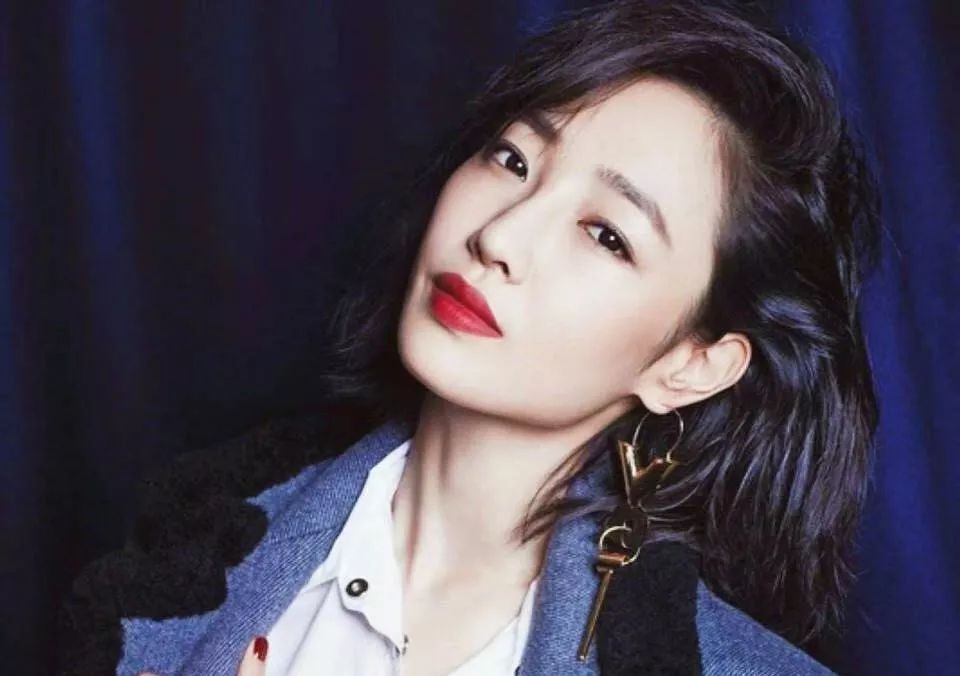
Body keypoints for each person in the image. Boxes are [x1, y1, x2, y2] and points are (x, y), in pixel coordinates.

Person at [58, 0, 883, 674]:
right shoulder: (192, 550)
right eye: (513, 160)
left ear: (691, 365)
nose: (500, 236)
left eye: (606, 235)